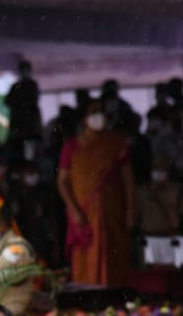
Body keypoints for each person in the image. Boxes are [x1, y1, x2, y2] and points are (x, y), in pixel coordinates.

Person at [57, 100, 134, 286]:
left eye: (101, 111)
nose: (98, 116)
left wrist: (131, 209)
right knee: (84, 253)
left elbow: (128, 180)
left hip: (112, 210)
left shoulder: (116, 143)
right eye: (93, 112)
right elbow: (62, 182)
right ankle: (86, 293)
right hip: (83, 211)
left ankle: (114, 293)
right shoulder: (72, 146)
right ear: (84, 119)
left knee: (113, 251)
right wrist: (74, 210)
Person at [137, 156, 183, 237]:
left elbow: (180, 213)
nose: (159, 171)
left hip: (169, 236)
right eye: (156, 168)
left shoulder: (176, 190)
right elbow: (136, 215)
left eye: (162, 168)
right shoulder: (142, 191)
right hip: (148, 236)